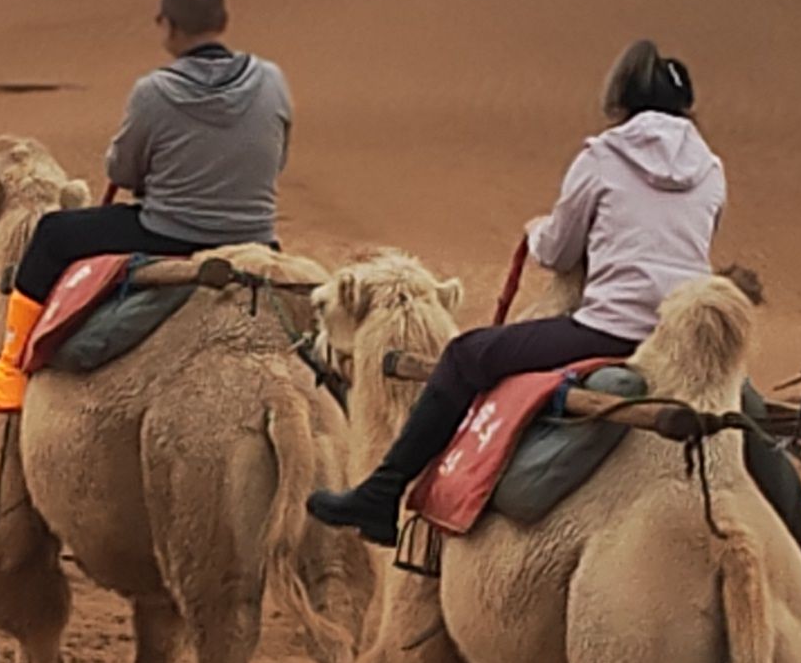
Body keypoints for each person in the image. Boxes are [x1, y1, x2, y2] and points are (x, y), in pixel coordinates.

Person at [306, 40, 723, 546]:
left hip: (610, 330)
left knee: (465, 356)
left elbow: (559, 252)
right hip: (679, 338)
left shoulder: (603, 158)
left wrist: (537, 229)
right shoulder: (711, 170)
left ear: (622, 100)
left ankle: (382, 492)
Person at [0, 0, 292, 414]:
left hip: (168, 234)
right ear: (223, 21)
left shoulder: (155, 91)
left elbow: (122, 170)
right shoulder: (272, 80)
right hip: (257, 237)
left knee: (54, 233)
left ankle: (10, 370)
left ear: (167, 26)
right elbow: (277, 157)